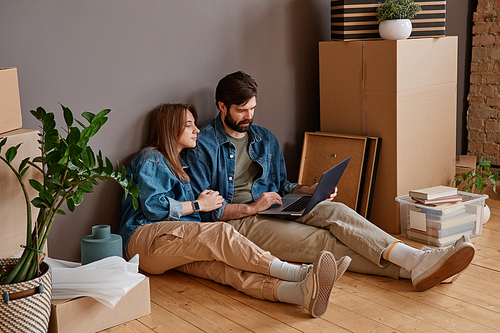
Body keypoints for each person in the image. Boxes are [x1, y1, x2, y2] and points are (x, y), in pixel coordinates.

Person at [184, 71, 476, 292]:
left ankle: (415, 258)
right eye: (241, 110)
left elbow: (282, 184)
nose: (249, 116)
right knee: (322, 241)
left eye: (253, 108)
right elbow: (207, 212)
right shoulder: (204, 146)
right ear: (222, 107)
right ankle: (413, 268)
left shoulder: (264, 138)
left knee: (337, 212)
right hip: (239, 222)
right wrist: (252, 208)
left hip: (275, 205)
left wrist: (307, 191)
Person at [120, 103, 352, 318]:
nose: (197, 130)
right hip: (144, 238)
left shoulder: (184, 166)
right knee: (220, 232)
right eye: (189, 125)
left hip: (174, 243)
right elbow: (153, 208)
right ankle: (300, 273)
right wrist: (200, 204)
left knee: (226, 269)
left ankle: (298, 293)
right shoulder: (152, 158)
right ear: (170, 129)